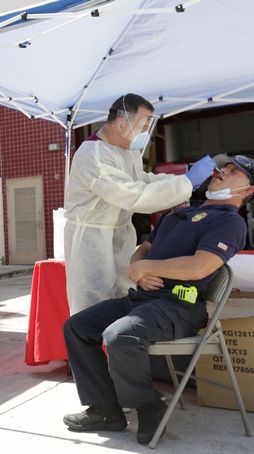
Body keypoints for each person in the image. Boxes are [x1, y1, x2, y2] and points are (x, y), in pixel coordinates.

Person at [62, 154, 254, 445]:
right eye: (223, 166)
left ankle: (148, 406)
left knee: (119, 336)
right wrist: (139, 271)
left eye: (234, 171)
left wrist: (146, 268)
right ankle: (105, 409)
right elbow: (142, 250)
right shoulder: (178, 213)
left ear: (247, 191)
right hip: (142, 297)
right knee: (77, 327)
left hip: (179, 305)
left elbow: (199, 267)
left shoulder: (229, 222)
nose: (223, 170)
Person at [64, 93, 216, 316]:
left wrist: (182, 181)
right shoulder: (93, 155)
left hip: (120, 233)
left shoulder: (128, 152)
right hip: (91, 238)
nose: (145, 132)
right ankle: (92, 350)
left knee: (125, 295)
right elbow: (132, 194)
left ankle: (119, 346)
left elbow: (142, 181)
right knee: (92, 304)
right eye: (143, 125)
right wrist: (186, 183)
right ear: (121, 122)